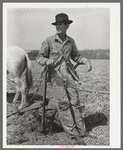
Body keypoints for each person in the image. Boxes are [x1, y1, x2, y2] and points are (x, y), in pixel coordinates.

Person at [36, 13, 93, 144]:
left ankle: (82, 131)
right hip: (55, 77)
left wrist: (86, 61)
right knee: (64, 105)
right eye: (57, 24)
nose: (58, 27)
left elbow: (76, 56)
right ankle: (72, 133)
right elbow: (39, 58)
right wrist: (47, 60)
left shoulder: (70, 41)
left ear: (67, 26)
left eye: (61, 24)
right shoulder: (49, 40)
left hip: (69, 75)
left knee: (75, 102)